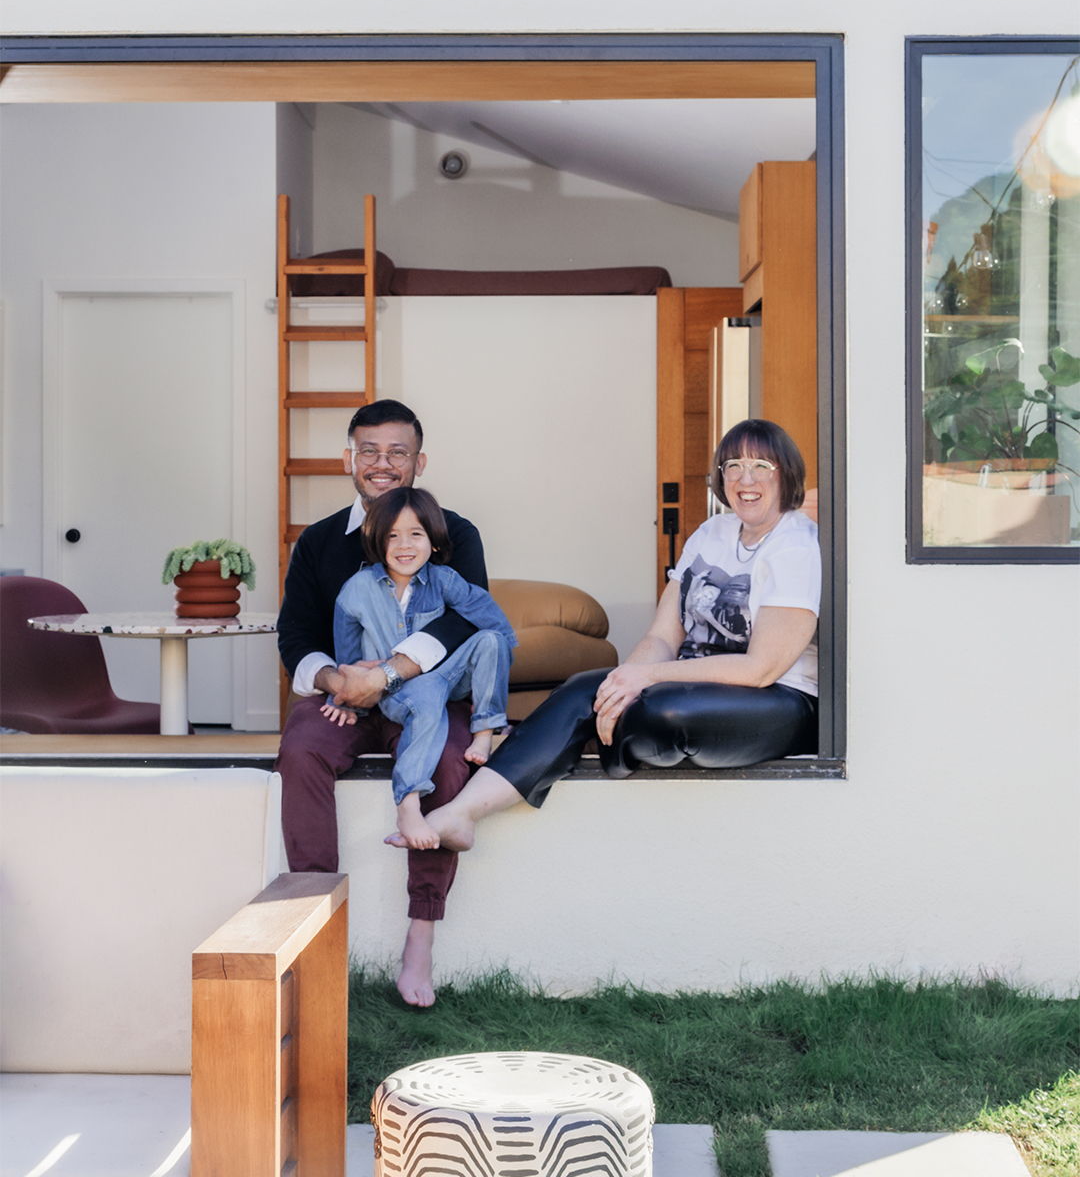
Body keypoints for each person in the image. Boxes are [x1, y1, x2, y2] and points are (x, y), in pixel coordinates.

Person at [390, 419, 819, 853]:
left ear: (786, 472)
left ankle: (612, 736)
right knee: (584, 688)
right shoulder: (712, 533)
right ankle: (462, 812)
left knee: (662, 712)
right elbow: (662, 638)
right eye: (733, 465)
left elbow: (760, 667)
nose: (746, 479)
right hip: (692, 681)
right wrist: (623, 682)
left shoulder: (795, 546)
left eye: (761, 465)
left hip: (778, 698)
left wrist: (644, 680)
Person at [275, 399, 488, 1007]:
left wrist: (387, 675)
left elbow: (465, 623)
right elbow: (297, 637)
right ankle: (312, 928)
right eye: (368, 451)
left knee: (450, 763)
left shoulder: (455, 534)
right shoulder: (318, 542)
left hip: (426, 696)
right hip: (342, 699)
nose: (382, 464)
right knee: (301, 750)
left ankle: (420, 935)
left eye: (397, 452)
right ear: (350, 458)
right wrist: (338, 681)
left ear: (419, 461)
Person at [323, 487, 516, 849]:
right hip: (393, 690)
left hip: (448, 677)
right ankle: (408, 805)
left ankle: (486, 731)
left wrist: (498, 651)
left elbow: (495, 623)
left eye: (416, 534)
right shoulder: (357, 590)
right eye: (392, 535)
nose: (404, 545)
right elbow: (346, 660)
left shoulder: (444, 579)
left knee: (491, 641)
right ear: (377, 542)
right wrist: (345, 699)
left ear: (434, 541)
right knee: (426, 695)